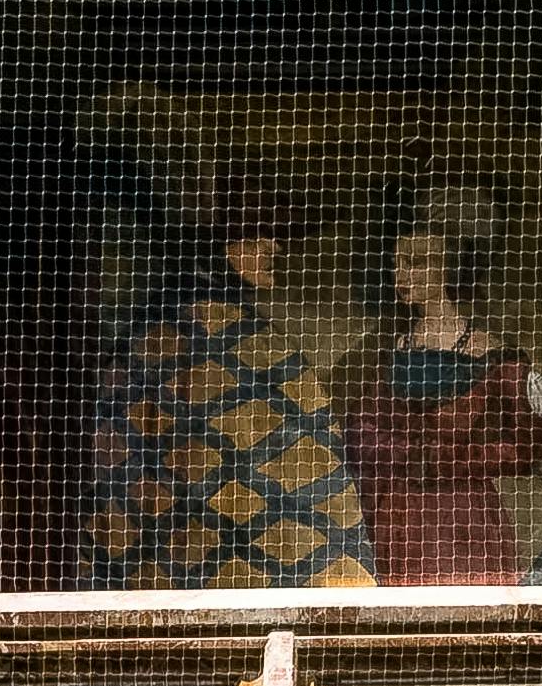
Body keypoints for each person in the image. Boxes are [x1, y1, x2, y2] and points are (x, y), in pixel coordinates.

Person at [85, 180, 372, 584]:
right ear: (223, 247)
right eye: (256, 238)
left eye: (274, 237)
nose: (273, 250)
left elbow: (305, 459)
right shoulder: (222, 336)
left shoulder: (177, 335)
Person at [345, 198, 542, 588]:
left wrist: (452, 459)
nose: (402, 275)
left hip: (463, 524)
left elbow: (526, 451)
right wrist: (403, 453)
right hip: (399, 523)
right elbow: (358, 432)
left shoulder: (495, 360)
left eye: (418, 262)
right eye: (397, 264)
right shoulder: (384, 353)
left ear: (450, 269)